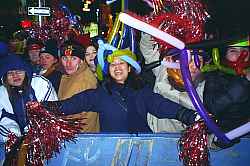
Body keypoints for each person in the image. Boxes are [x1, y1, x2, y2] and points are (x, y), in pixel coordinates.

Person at [41, 47, 199, 133]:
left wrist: (186, 115)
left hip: (141, 149)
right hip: (112, 152)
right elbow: (75, 103)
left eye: (121, 64)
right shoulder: (101, 93)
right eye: (112, 64)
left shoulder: (141, 91)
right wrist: (46, 108)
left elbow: (160, 105)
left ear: (129, 68)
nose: (117, 68)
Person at [140, 33, 250, 142]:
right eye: (188, 59)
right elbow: (147, 47)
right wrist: (158, 25)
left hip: (175, 143)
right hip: (149, 135)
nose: (193, 66)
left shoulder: (206, 91)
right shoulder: (163, 71)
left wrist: (219, 142)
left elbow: (207, 134)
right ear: (171, 60)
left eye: (199, 61)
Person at [0, 54, 58, 142]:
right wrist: (14, 135)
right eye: (10, 73)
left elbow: (51, 112)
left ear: (26, 72)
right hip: (17, 139)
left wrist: (30, 133)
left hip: (44, 137)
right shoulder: (2, 92)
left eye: (19, 71)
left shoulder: (40, 84)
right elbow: (5, 118)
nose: (15, 76)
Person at [57, 40, 100, 132]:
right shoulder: (70, 75)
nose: (68, 64)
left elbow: (69, 114)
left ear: (81, 61)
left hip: (83, 138)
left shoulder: (84, 80)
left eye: (73, 58)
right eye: (65, 58)